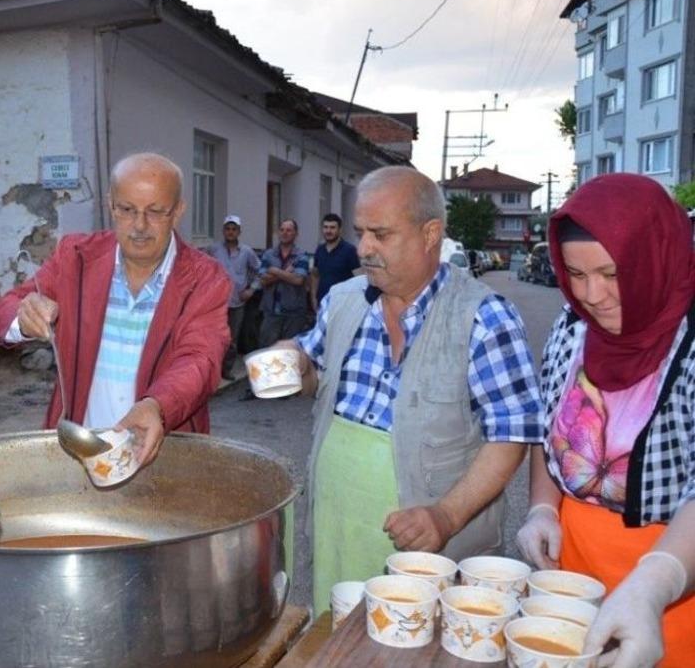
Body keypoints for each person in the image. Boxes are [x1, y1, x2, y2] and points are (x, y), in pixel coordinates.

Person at [266, 166, 542, 615]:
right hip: (338, 525)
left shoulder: (485, 316)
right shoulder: (343, 300)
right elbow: (316, 375)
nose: (365, 248)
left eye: (381, 234)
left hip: (431, 546)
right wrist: (292, 364)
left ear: (430, 233)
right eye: (361, 232)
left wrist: (447, 516)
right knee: (340, 643)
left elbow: (512, 434)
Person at [515, 173, 695, 668]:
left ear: (654, 257)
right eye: (576, 273)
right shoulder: (572, 327)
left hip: (675, 581)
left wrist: (653, 585)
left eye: (612, 274)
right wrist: (542, 509)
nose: (592, 294)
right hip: (574, 573)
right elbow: (548, 429)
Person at [0, 152, 231, 467]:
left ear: (178, 211)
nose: (139, 226)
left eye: (156, 211)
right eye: (127, 210)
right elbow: (2, 310)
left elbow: (200, 359)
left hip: (161, 457)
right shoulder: (75, 258)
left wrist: (157, 405)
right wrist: (23, 316)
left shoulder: (205, 279)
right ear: (110, 205)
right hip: (78, 454)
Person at [207, 214, 260, 380]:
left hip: (237, 303)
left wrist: (251, 289)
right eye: (228, 229)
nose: (230, 232)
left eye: (234, 229)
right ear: (223, 231)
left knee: (232, 339)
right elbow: (202, 267)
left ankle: (226, 369)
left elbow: (260, 270)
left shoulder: (247, 252)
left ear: (239, 231)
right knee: (214, 337)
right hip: (217, 303)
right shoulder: (213, 250)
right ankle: (212, 370)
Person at [257, 219, 311, 347]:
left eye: (289, 230)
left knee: (290, 354)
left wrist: (275, 271)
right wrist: (286, 273)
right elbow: (263, 280)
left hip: (294, 313)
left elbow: (299, 280)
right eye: (282, 230)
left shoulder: (301, 255)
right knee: (267, 351)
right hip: (271, 311)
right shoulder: (268, 254)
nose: (284, 233)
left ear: (295, 234)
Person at [310, 212, 360, 312]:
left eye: (332, 227)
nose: (328, 231)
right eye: (325, 227)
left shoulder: (350, 250)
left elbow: (359, 279)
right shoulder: (319, 250)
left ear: (340, 230)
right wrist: (313, 297)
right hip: (322, 304)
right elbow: (315, 275)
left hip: (343, 306)